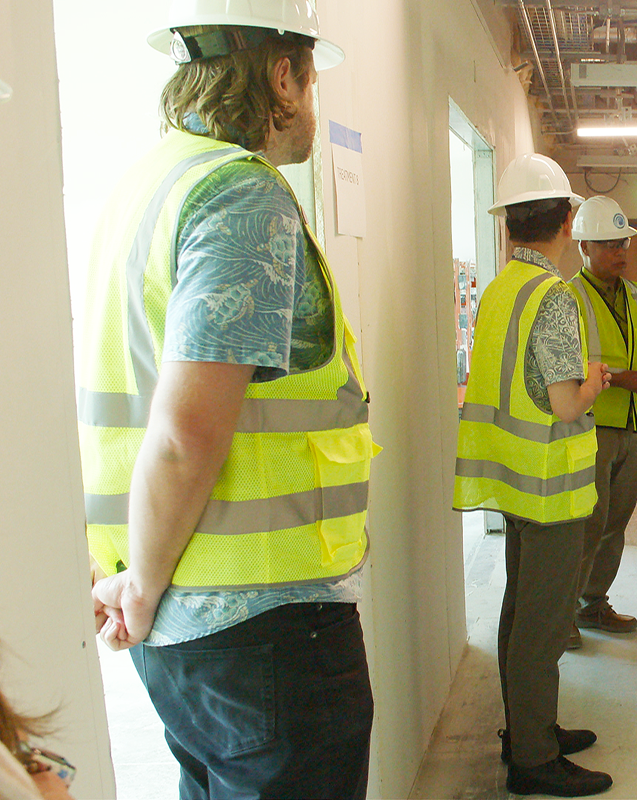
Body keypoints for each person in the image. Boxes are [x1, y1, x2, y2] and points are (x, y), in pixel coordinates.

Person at [81, 4, 376, 798]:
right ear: (282, 76)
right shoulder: (240, 198)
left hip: (188, 615)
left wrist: (137, 581)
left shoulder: (147, 184)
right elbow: (184, 433)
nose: (313, 110)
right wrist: (139, 586)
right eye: (312, 85)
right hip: (259, 626)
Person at [453, 153, 613, 797]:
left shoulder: (499, 289)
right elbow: (565, 400)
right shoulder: (553, 296)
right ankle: (532, 759)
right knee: (541, 626)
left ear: (509, 224)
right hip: (550, 486)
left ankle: (529, 728)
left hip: (515, 482)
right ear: (568, 220)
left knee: (520, 611)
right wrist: (596, 381)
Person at [564, 196, 637, 650]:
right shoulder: (568, 298)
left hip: (631, 430)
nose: (619, 252)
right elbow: (562, 370)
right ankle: (563, 612)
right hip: (590, 428)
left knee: (616, 523)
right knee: (587, 524)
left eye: (623, 242)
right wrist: (615, 378)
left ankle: (593, 603)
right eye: (608, 244)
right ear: (584, 245)